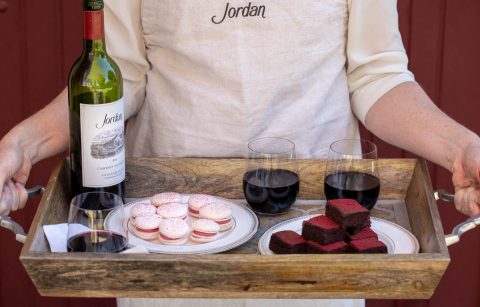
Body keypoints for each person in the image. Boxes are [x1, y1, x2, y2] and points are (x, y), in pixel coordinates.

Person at [1, 0, 479, 306]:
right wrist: (21, 144)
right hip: (170, 243)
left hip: (314, 236)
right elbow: (120, 74)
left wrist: (462, 149)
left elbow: (376, 75)